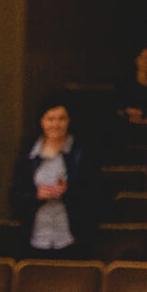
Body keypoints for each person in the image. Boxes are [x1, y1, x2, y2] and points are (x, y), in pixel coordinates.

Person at [9, 101, 101, 258]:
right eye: (50, 119)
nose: (55, 124)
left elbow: (95, 195)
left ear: (69, 121)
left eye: (61, 119)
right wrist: (35, 195)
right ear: (42, 122)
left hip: (70, 236)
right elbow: (14, 195)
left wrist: (69, 191)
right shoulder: (28, 154)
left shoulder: (82, 153)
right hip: (36, 237)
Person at [114, 45, 147, 133]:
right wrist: (128, 114)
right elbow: (117, 108)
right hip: (128, 131)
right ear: (137, 60)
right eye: (144, 57)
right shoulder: (125, 85)